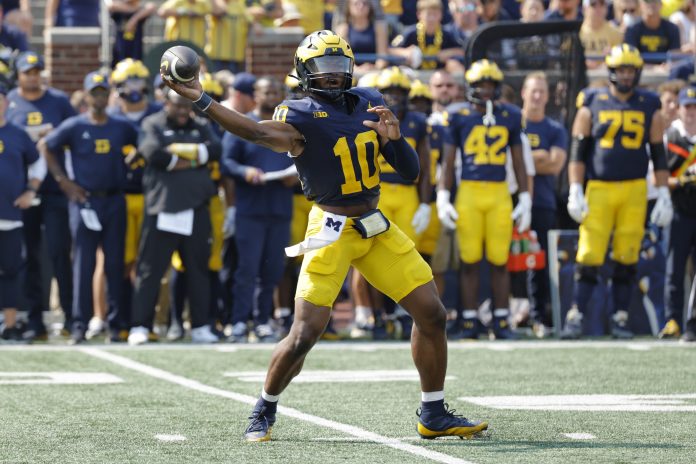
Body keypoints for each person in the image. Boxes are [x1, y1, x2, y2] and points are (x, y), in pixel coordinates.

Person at [163, 29, 489, 441]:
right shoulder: (297, 113)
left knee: (432, 314)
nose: (332, 76)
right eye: (323, 68)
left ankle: (433, 412)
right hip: (331, 228)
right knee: (304, 334)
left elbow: (408, 171)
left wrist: (395, 139)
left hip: (374, 225)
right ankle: (264, 407)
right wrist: (201, 98)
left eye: (338, 67)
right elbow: (255, 132)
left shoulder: (371, 101)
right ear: (304, 71)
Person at [561, 44, 673, 339]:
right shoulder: (592, 102)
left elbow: (658, 153)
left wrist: (663, 193)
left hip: (635, 189)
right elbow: (578, 152)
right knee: (589, 254)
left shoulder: (650, 104)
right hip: (599, 187)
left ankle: (620, 317)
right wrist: (575, 187)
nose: (625, 76)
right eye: (621, 70)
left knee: (627, 254)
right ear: (611, 71)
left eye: (630, 70)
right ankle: (577, 315)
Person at [437, 59, 532, 340]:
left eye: (491, 85)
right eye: (481, 85)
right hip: (469, 191)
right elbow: (449, 159)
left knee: (499, 259)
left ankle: (501, 320)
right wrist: (443, 195)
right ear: (470, 87)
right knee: (469, 260)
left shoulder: (510, 115)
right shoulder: (458, 115)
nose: (486, 91)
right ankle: (469, 319)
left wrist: (524, 196)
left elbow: (517, 160)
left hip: (499, 192)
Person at [42, 71, 139, 344]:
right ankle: (79, 325)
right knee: (83, 265)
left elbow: (144, 142)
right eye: (94, 92)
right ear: (85, 95)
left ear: (109, 95)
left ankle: (117, 325)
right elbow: (47, 147)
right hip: (84, 200)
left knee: (115, 263)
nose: (98, 96)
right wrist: (64, 182)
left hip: (115, 199)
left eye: (102, 91)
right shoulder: (74, 126)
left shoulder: (121, 126)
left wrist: (134, 157)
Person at [128, 89, 222, 345]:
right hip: (162, 208)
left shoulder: (200, 125)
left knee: (198, 270)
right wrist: (193, 158)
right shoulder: (152, 123)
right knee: (150, 270)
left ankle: (201, 325)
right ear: (166, 103)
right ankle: (140, 325)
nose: (183, 111)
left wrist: (178, 155)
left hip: (196, 208)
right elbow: (153, 154)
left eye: (187, 106)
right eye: (178, 105)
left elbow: (215, 150)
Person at [6, 52, 77, 341]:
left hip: (55, 189)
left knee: (60, 252)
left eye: (36, 71)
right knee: (29, 255)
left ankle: (72, 317)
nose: (32, 76)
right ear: (18, 75)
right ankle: (35, 320)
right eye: (27, 72)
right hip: (22, 192)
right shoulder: (9, 102)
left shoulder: (59, 101)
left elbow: (75, 133)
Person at [222, 76, 296, 343]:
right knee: (247, 269)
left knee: (273, 270)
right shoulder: (244, 124)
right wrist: (245, 171)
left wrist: (295, 177)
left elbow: (305, 160)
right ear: (256, 94)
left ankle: (263, 320)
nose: (272, 95)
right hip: (249, 209)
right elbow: (227, 162)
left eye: (277, 90)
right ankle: (240, 321)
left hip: (279, 208)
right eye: (267, 91)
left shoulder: (288, 127)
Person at [520, 71, 568, 334]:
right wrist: (538, 156)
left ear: (548, 96)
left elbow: (555, 164)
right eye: (533, 90)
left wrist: (522, 157)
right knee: (498, 259)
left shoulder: (555, 129)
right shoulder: (513, 122)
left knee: (539, 263)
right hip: (509, 200)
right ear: (523, 93)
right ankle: (500, 315)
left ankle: (539, 317)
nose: (537, 96)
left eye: (542, 91)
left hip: (543, 203)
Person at [0, 83, 45, 343]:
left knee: (10, 271)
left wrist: (31, 190)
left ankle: (10, 324)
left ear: (7, 103)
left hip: (10, 217)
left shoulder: (17, 134)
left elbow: (38, 162)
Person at [661, 85, 696, 339]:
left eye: (695, 107)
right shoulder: (669, 136)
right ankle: (672, 320)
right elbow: (656, 177)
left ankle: (693, 324)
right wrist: (681, 180)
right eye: (688, 107)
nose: (691, 112)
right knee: (674, 267)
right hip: (678, 209)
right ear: (679, 109)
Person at [389, 0, 465, 72]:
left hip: (441, 77)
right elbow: (390, 50)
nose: (431, 19)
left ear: (441, 15)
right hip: (413, 75)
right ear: (419, 14)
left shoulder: (447, 33)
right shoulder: (410, 33)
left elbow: (462, 50)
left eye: (435, 14)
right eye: (428, 14)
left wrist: (448, 53)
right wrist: (405, 52)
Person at [624, 0, 681, 64]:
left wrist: (667, 66)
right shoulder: (632, 29)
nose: (651, 4)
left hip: (665, 72)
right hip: (639, 71)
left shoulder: (672, 28)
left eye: (655, 0)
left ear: (661, 4)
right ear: (640, 5)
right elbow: (630, 57)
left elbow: (675, 56)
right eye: (647, 1)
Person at [106, 0, 157, 66]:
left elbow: (152, 7)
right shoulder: (119, 11)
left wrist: (134, 19)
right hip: (120, 51)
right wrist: (134, 10)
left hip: (135, 51)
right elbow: (111, 6)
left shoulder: (140, 12)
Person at [580, 0, 624, 70]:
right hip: (580, 76)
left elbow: (621, 63)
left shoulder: (615, 32)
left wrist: (611, 57)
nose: (598, 8)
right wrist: (583, 64)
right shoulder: (576, 32)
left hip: (606, 77)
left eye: (602, 3)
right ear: (584, 8)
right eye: (593, 4)